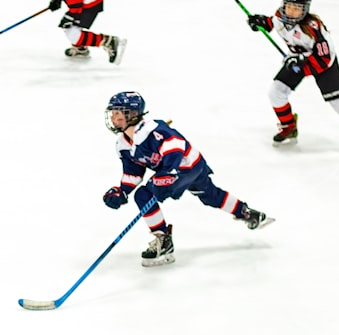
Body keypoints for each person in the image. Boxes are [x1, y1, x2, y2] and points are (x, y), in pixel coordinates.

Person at [101, 91, 274, 267]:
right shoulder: (123, 144)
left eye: (118, 113)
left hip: (185, 168)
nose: (114, 118)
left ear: (132, 114)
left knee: (144, 195)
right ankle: (246, 212)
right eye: (113, 113)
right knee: (210, 195)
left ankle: (163, 240)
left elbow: (176, 146)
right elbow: (134, 172)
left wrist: (168, 174)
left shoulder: (153, 131)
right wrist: (122, 191)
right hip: (189, 167)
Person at [246, 0, 339, 153]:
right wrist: (260, 22)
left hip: (323, 65)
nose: (291, 11)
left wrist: (302, 62)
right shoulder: (280, 17)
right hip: (296, 61)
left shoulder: (313, 29)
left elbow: (324, 60)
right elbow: (273, 23)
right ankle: (289, 126)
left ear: (305, 11)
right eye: (289, 6)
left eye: (296, 9)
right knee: (276, 92)